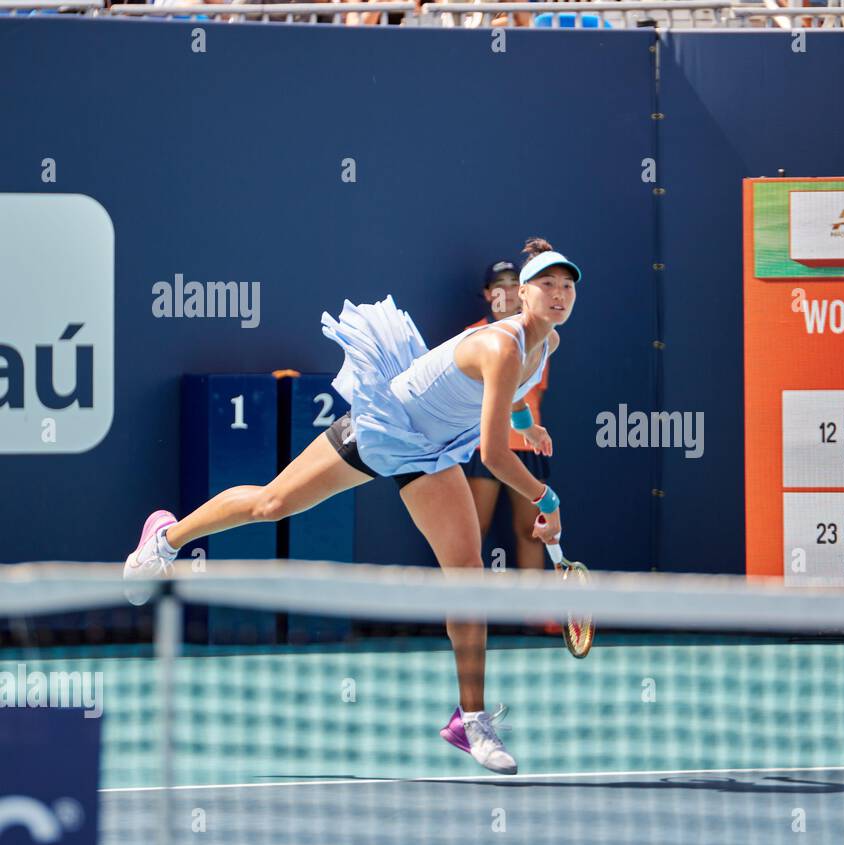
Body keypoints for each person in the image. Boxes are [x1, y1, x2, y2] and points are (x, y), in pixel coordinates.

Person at [122, 238, 581, 776]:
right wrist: (544, 497)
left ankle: (470, 719)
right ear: (521, 294)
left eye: (567, 286)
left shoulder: (544, 345)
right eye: (546, 285)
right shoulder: (501, 345)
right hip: (387, 430)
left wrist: (531, 424)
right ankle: (165, 539)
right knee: (272, 503)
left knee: (468, 575)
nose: (558, 295)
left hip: (431, 454)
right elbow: (494, 454)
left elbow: (512, 402)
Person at [462, 259, 551, 574]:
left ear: (524, 292)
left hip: (526, 448)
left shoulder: (540, 337)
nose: (509, 291)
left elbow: (528, 394)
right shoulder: (472, 336)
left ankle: (536, 615)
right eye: (500, 284)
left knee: (532, 530)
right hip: (481, 445)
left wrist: (528, 428)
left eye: (515, 284)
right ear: (488, 294)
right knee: (472, 532)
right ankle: (462, 613)